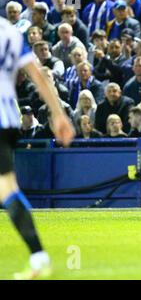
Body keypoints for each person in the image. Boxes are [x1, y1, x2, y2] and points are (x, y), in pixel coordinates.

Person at [0, 17, 74, 280]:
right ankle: (38, 257)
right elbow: (38, 75)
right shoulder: (10, 31)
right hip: (8, 118)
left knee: (7, 189)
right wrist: (58, 114)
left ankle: (39, 256)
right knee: (7, 189)